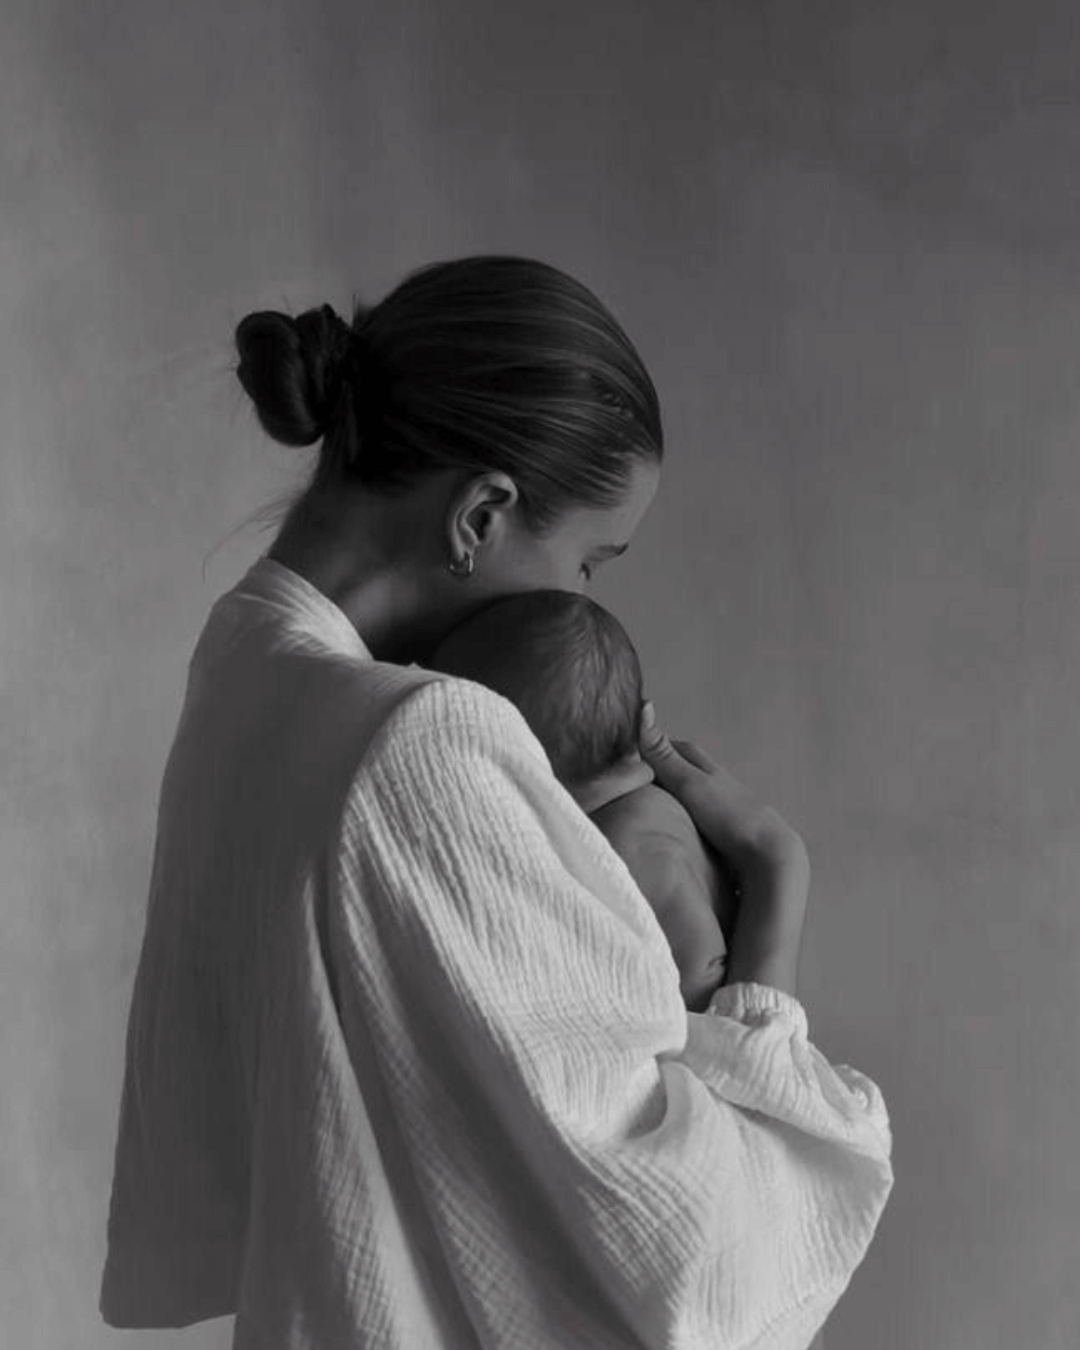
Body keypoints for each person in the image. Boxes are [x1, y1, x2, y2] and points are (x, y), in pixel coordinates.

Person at [99, 255, 893, 1350]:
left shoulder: (243, 661)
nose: (583, 607)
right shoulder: (420, 742)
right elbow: (690, 1268)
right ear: (481, 514)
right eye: (590, 563)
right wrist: (773, 923)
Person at [426, 588, 739, 1011]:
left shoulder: (627, 841)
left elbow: (703, 965)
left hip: (712, 1029)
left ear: (526, 765)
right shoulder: (651, 805)